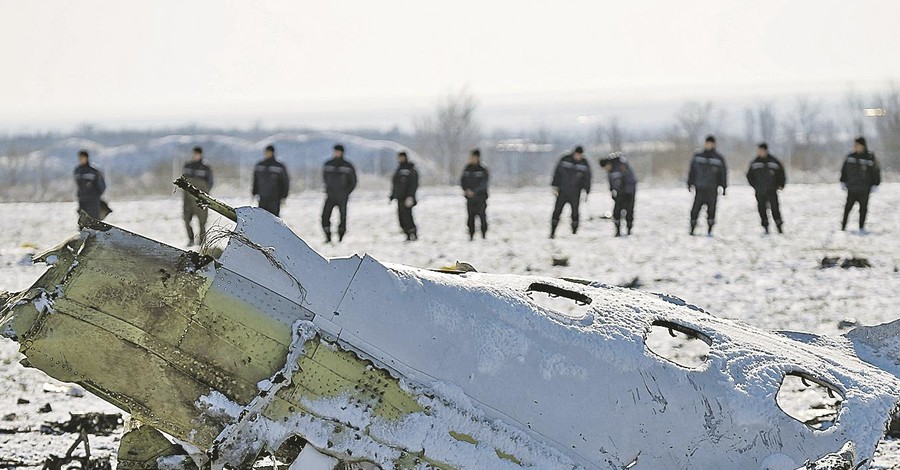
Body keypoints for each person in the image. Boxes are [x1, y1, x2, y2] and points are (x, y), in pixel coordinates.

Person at [687, 135, 727, 236]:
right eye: (707, 143)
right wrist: (689, 182)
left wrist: (724, 186)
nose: (708, 145)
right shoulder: (698, 156)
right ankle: (692, 228)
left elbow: (723, 173)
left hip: (712, 189)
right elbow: (692, 171)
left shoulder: (718, 158)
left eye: (710, 143)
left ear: (713, 144)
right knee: (695, 210)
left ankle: (710, 229)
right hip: (700, 187)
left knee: (711, 210)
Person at [840, 136, 881, 232]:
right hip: (852, 188)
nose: (855, 147)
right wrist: (842, 181)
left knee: (863, 210)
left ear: (863, 145)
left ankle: (861, 228)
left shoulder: (870, 158)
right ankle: (843, 228)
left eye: (857, 145)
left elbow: (876, 171)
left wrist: (876, 184)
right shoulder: (850, 157)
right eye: (854, 145)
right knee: (847, 209)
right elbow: (844, 170)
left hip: (864, 189)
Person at [550, 146, 591, 238]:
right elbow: (557, 173)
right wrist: (554, 185)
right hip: (562, 191)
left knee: (575, 213)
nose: (578, 157)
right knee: (557, 211)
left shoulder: (584, 164)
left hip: (575, 193)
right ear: (574, 153)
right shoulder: (565, 159)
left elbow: (587, 178)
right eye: (577, 155)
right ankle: (552, 231)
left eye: (580, 155)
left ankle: (574, 232)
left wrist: (587, 190)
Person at [746, 143, 786, 234]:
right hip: (760, 191)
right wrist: (755, 186)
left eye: (762, 150)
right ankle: (765, 227)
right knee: (762, 209)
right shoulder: (755, 163)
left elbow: (781, 173)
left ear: (766, 150)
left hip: (772, 190)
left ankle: (779, 226)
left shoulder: (774, 162)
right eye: (759, 150)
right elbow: (749, 176)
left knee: (775, 208)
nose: (760, 152)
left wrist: (781, 184)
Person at [322, 144, 357, 243]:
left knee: (342, 217)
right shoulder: (328, 164)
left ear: (342, 152)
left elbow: (353, 181)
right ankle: (328, 235)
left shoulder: (348, 166)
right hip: (330, 195)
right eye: (335, 151)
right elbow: (325, 178)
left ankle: (341, 236)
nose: (336, 153)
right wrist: (328, 189)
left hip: (342, 196)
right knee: (325, 216)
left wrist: (346, 192)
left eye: (338, 151)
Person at [599, 152, 637, 237]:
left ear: (608, 164)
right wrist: (612, 191)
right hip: (619, 193)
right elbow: (611, 183)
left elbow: (629, 178)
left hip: (629, 192)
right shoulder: (610, 171)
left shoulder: (621, 164)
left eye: (606, 168)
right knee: (616, 212)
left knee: (629, 211)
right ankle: (617, 231)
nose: (606, 170)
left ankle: (629, 230)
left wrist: (628, 192)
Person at [182, 146, 214, 246]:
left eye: (197, 154)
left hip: (200, 198)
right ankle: (191, 239)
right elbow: (183, 180)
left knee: (202, 221)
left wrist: (205, 194)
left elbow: (210, 182)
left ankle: (202, 241)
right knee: (187, 219)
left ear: (200, 155)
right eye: (194, 154)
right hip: (187, 197)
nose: (195, 156)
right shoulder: (188, 166)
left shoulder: (205, 167)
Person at [252, 145, 290, 216]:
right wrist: (254, 192)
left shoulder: (279, 166)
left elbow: (285, 182)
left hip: (275, 198)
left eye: (268, 152)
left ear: (272, 153)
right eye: (266, 152)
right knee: (261, 217)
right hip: (262, 197)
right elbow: (255, 180)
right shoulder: (259, 166)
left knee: (273, 218)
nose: (267, 154)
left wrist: (284, 196)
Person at [460, 149, 489, 240]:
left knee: (482, 217)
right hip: (470, 198)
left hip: (480, 198)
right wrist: (466, 190)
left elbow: (484, 183)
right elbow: (462, 180)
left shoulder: (483, 169)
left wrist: (474, 191)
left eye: (473, 157)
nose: (472, 159)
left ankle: (483, 234)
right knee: (470, 217)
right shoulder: (467, 168)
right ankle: (471, 234)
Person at [389, 151, 419, 241]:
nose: (400, 159)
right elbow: (395, 184)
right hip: (399, 198)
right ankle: (406, 233)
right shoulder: (398, 170)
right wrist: (392, 195)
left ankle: (413, 232)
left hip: (407, 198)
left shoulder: (410, 169)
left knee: (408, 216)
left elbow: (414, 184)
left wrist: (411, 196)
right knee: (401, 217)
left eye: (402, 157)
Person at [73, 149, 107, 220]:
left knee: (94, 219)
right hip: (82, 199)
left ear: (87, 158)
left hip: (93, 200)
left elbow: (102, 185)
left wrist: (96, 195)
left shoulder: (93, 171)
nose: (81, 159)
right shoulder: (77, 171)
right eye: (80, 158)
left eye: (83, 157)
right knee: (83, 220)